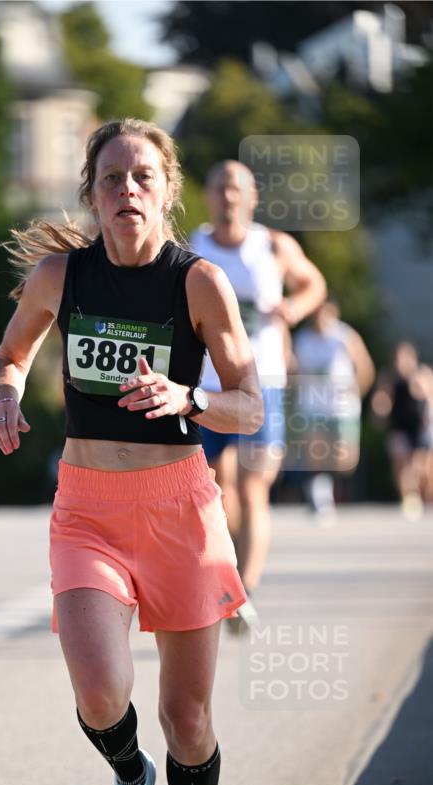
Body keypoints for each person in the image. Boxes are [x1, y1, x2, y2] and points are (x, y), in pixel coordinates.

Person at [0, 119, 263, 785]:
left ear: (167, 192)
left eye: (142, 177)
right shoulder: (60, 276)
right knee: (101, 690)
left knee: (188, 719)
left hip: (180, 510)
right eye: (111, 178)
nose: (127, 190)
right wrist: (3, 397)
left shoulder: (198, 283)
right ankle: (130, 776)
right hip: (88, 510)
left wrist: (190, 398)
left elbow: (250, 405)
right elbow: (8, 357)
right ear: (91, 194)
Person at [189, 160, 326, 629]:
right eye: (220, 188)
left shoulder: (273, 245)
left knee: (252, 488)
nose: (228, 197)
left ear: (252, 198)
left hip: (261, 381)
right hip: (206, 384)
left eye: (237, 189)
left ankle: (243, 592)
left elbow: (313, 283)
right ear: (208, 196)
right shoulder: (191, 248)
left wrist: (294, 307)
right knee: (210, 492)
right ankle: (226, 576)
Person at [293, 299, 375, 518]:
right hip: (312, 407)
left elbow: (365, 366)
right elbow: (293, 369)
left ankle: (329, 488)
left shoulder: (345, 336)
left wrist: (357, 389)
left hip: (341, 408)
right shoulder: (302, 339)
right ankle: (320, 494)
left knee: (344, 460)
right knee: (315, 454)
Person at [371, 340, 433, 519]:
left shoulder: (422, 374)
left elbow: (429, 396)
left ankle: (425, 496)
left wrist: (419, 388)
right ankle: (409, 498)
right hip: (399, 428)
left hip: (420, 428)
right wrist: (379, 412)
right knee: (402, 466)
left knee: (422, 468)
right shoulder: (390, 379)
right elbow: (382, 400)